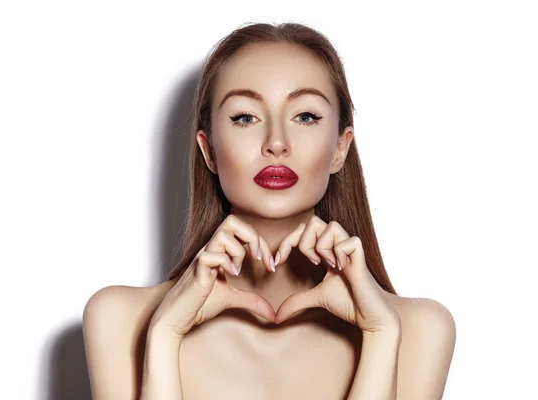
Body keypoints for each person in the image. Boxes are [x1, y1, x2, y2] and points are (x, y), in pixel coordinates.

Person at [82, 21, 457, 400]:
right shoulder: (121, 320)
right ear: (209, 150)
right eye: (245, 117)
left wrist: (380, 335)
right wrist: (164, 333)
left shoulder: (418, 329)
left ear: (341, 148)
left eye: (305, 116)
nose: (276, 143)